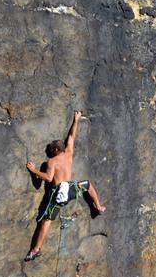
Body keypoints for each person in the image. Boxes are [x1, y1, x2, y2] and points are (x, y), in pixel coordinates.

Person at [24, 110, 106, 261]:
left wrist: (34, 170)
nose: (49, 149)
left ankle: (36, 250)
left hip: (58, 194)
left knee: (46, 220)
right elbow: (71, 137)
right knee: (87, 184)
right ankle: (99, 207)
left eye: (51, 147)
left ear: (56, 150)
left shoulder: (51, 162)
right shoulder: (68, 153)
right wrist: (77, 119)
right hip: (70, 189)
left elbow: (48, 178)